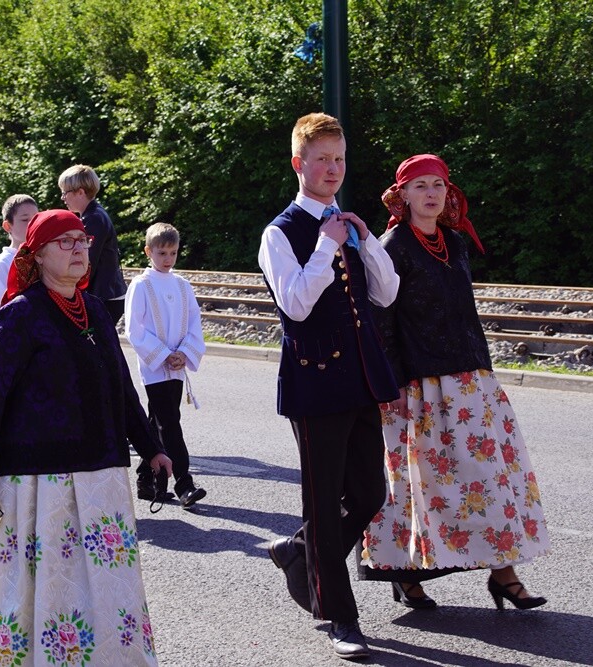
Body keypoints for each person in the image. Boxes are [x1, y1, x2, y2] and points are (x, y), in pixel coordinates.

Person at [0, 209, 172, 666]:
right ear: (36, 255)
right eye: (65, 242)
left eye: (83, 240)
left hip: (101, 475)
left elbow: (120, 387)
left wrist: (151, 446)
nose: (78, 249)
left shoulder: (93, 309)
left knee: (107, 588)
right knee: (48, 586)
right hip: (38, 481)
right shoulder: (18, 316)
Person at [359, 153, 550, 611]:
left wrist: (485, 374)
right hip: (420, 386)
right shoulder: (391, 247)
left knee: (491, 482)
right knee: (419, 486)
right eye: (420, 185)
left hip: (471, 379)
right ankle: (404, 573)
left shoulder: (456, 243)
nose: (431, 194)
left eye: (438, 186)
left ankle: (503, 575)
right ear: (402, 194)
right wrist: (393, 389)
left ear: (449, 194)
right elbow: (381, 322)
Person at [257, 112, 400, 660]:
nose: (332, 169)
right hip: (315, 383)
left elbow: (385, 295)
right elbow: (294, 303)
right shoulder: (280, 232)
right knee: (322, 499)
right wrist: (324, 245)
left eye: (339, 159)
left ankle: (300, 552)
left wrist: (366, 241)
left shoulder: (349, 223)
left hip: (362, 378)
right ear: (300, 164)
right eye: (321, 159)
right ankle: (341, 616)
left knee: (369, 495)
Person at [125, 222, 207, 507]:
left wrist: (184, 352)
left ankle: (147, 479)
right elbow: (135, 328)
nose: (168, 258)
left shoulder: (182, 285)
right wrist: (163, 354)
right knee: (170, 422)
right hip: (154, 366)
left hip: (178, 363)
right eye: (162, 252)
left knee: (158, 420)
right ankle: (184, 483)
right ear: (149, 251)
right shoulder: (141, 285)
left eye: (173, 252)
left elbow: (195, 322)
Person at [58, 165, 128, 322]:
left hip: (105, 296)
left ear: (80, 192)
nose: (63, 198)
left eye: (65, 192)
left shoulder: (93, 218)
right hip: (108, 294)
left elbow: (86, 261)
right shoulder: (95, 214)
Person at [0, 194, 37, 318]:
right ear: (8, 226)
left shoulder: (42, 257)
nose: (32, 225)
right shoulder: (2, 264)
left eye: (35, 219)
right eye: (25, 220)